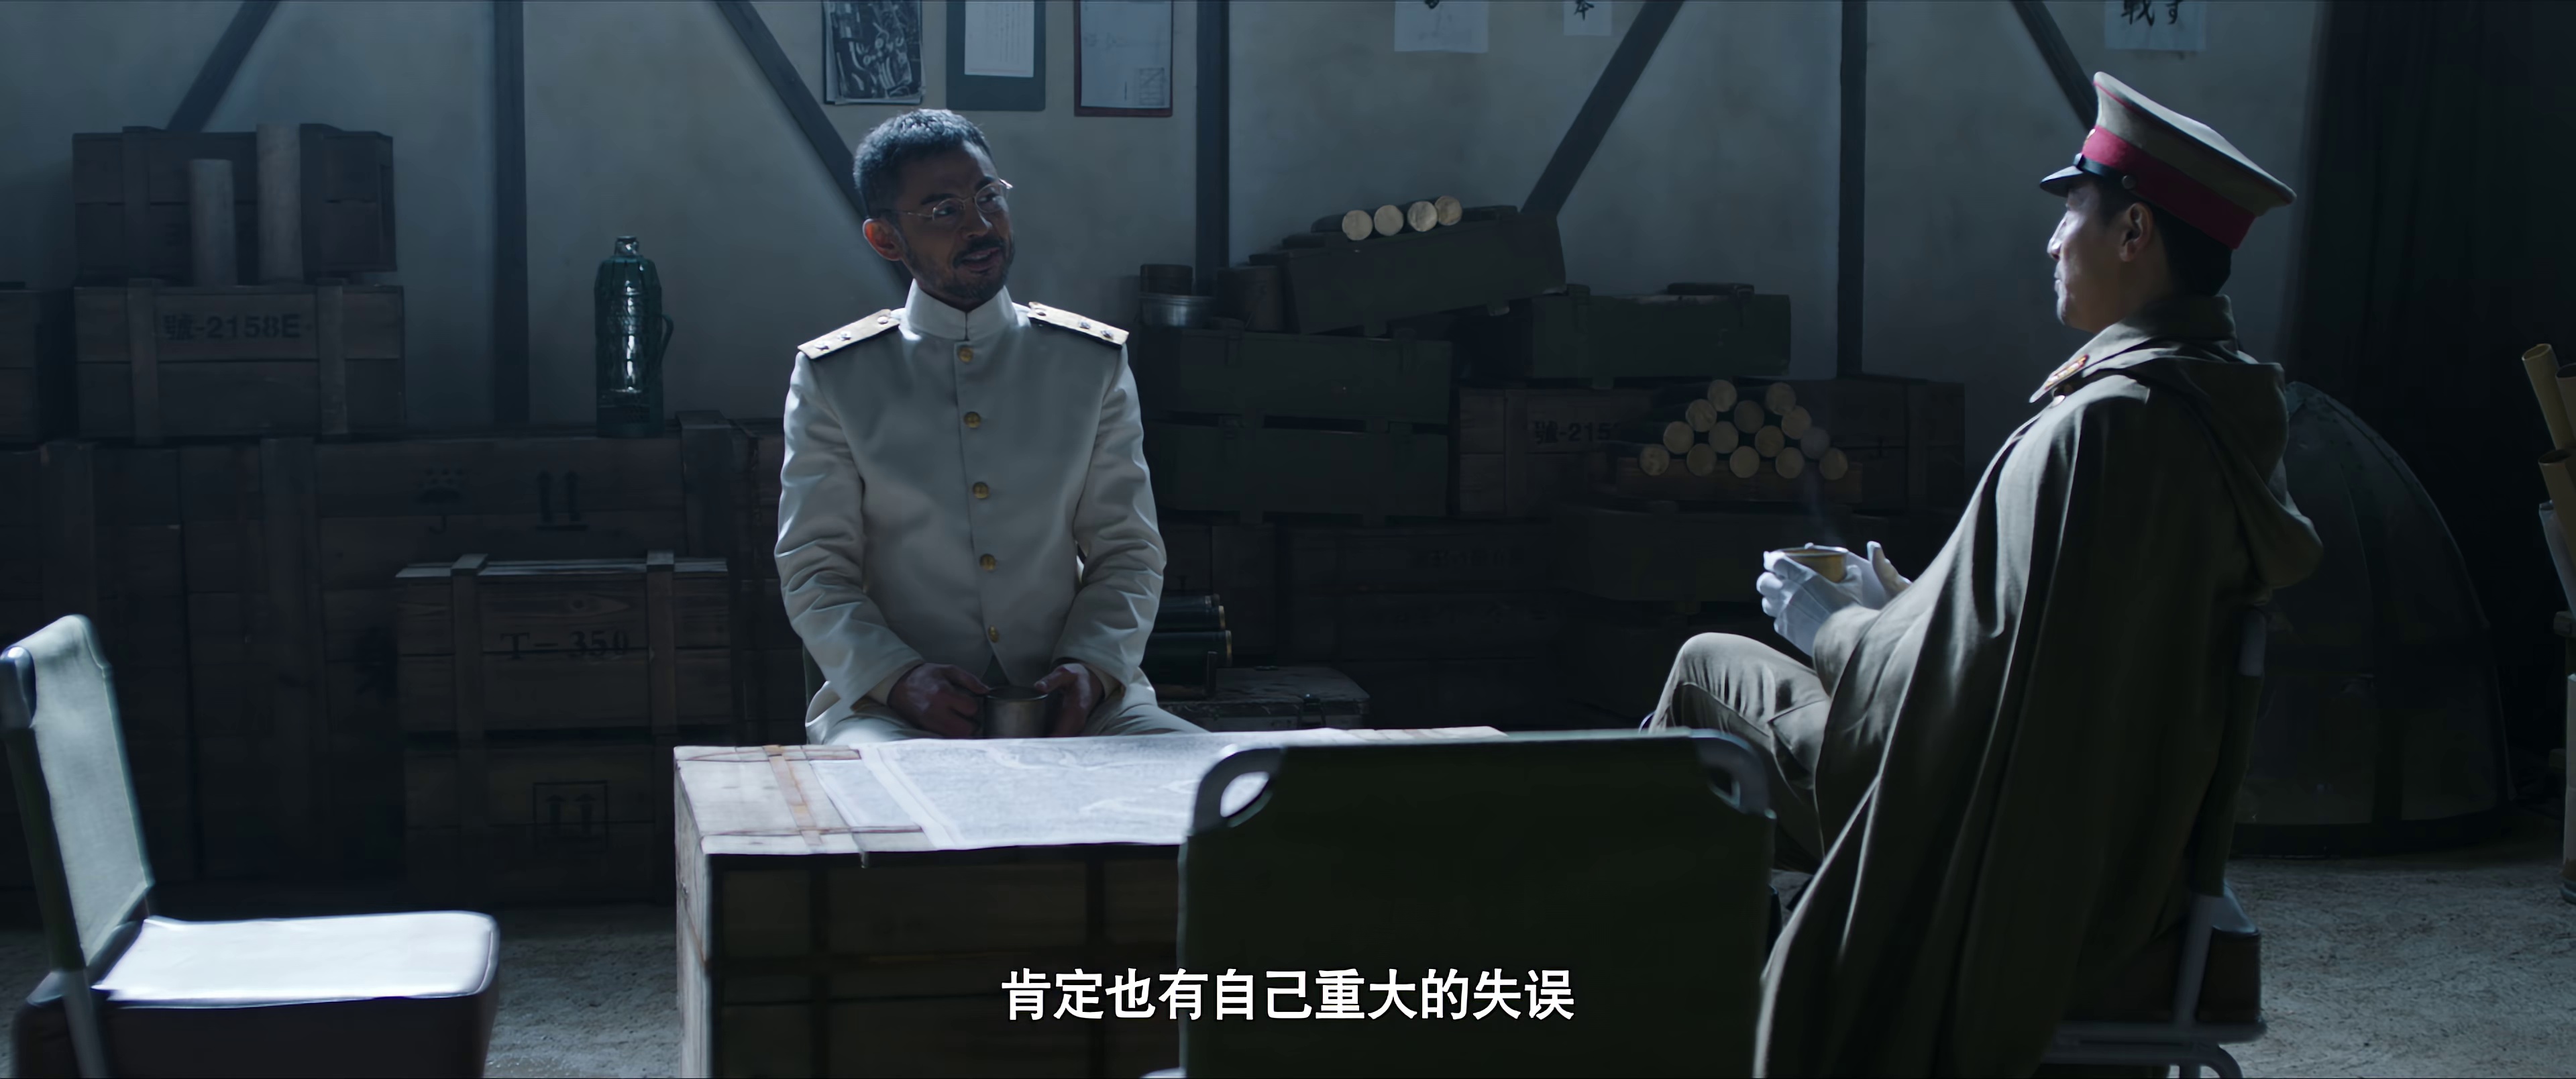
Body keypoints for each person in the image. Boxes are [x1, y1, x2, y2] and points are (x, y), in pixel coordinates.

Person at [1644, 73, 2324, 1074]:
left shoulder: (2103, 429)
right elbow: (2045, 645)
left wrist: (1832, 626)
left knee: (1708, 667)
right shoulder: (2215, 410)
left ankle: (1659, 995)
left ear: (2135, 232)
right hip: (2111, 832)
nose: (2052, 243)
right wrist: (1907, 604)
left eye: (2073, 213)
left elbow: (1968, 706)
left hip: (1999, 835)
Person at [776, 109, 1202, 743]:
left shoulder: (1089, 363)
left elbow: (1129, 550)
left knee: (1210, 784)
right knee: (884, 790)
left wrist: (1091, 669)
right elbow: (815, 569)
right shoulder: (837, 376)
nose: (979, 226)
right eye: (943, 210)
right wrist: (898, 678)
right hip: (891, 707)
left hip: (1079, 700)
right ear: (886, 239)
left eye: (988, 198)